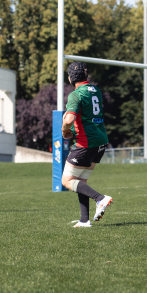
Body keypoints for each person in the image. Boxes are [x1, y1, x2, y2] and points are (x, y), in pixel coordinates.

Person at [61, 62, 114, 227]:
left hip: (86, 143)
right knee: (80, 181)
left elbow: (69, 119)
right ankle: (84, 220)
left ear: (70, 77)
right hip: (101, 141)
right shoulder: (96, 90)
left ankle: (100, 199)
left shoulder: (75, 94)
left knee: (67, 181)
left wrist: (64, 130)